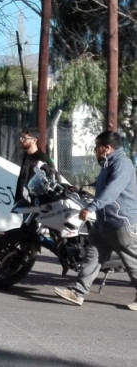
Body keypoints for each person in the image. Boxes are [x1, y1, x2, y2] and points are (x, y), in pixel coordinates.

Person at [53, 131, 137, 311]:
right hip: (104, 223)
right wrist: (80, 188)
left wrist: (91, 207)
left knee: (132, 262)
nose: (95, 151)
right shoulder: (109, 163)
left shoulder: (122, 163)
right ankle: (78, 292)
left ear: (107, 148)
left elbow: (112, 190)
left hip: (121, 222)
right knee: (93, 256)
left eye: (97, 147)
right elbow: (102, 184)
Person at [14, 128, 57, 203]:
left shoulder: (43, 158)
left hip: (37, 203)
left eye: (24, 138)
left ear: (34, 140)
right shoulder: (25, 157)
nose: (21, 140)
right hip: (25, 201)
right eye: (21, 138)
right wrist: (18, 199)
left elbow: (53, 176)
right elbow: (22, 179)